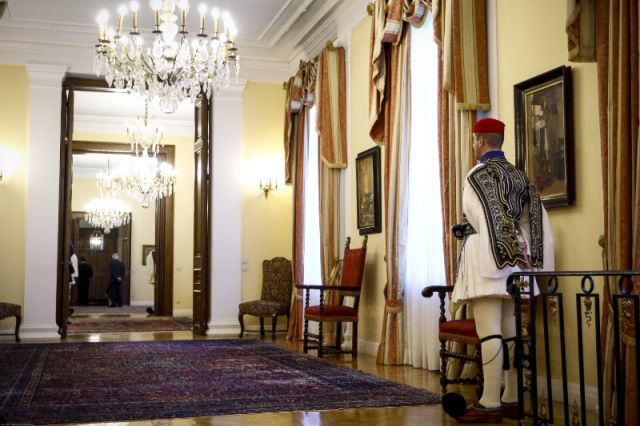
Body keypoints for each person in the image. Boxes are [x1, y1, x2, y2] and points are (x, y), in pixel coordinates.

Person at [448, 117, 554, 423]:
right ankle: (511, 397)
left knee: (489, 329)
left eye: (474, 140)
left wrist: (491, 244)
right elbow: (535, 221)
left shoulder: (477, 174)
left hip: (487, 257)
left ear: (480, 141)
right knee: (509, 328)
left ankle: (490, 402)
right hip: (518, 262)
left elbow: (483, 217)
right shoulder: (520, 175)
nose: (473, 145)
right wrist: (531, 259)